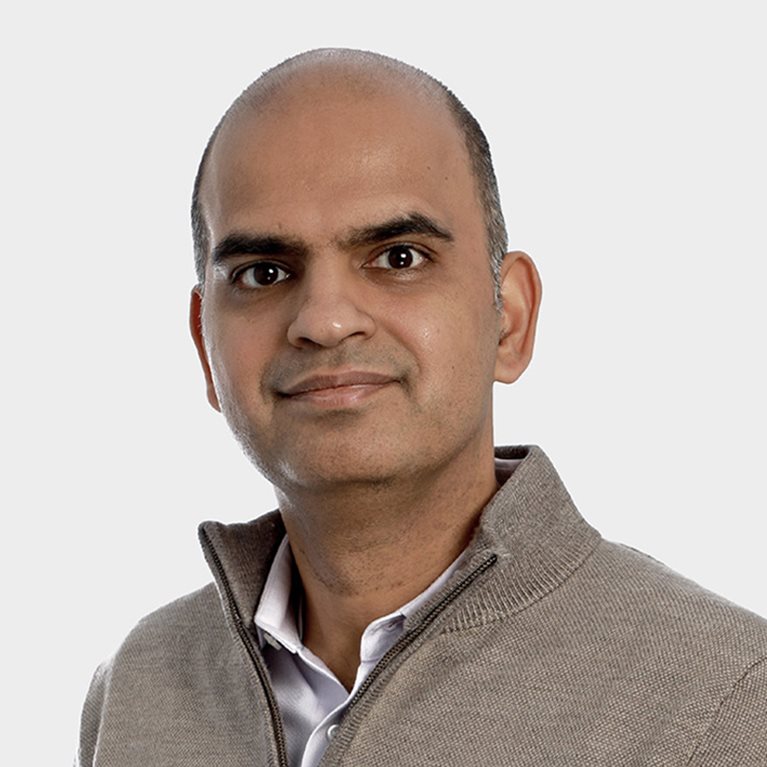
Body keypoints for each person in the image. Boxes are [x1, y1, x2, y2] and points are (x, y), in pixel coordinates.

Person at [77, 48, 767, 767]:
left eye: (398, 257)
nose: (325, 320)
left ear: (508, 319)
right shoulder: (138, 687)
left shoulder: (728, 704)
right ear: (204, 346)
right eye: (265, 272)